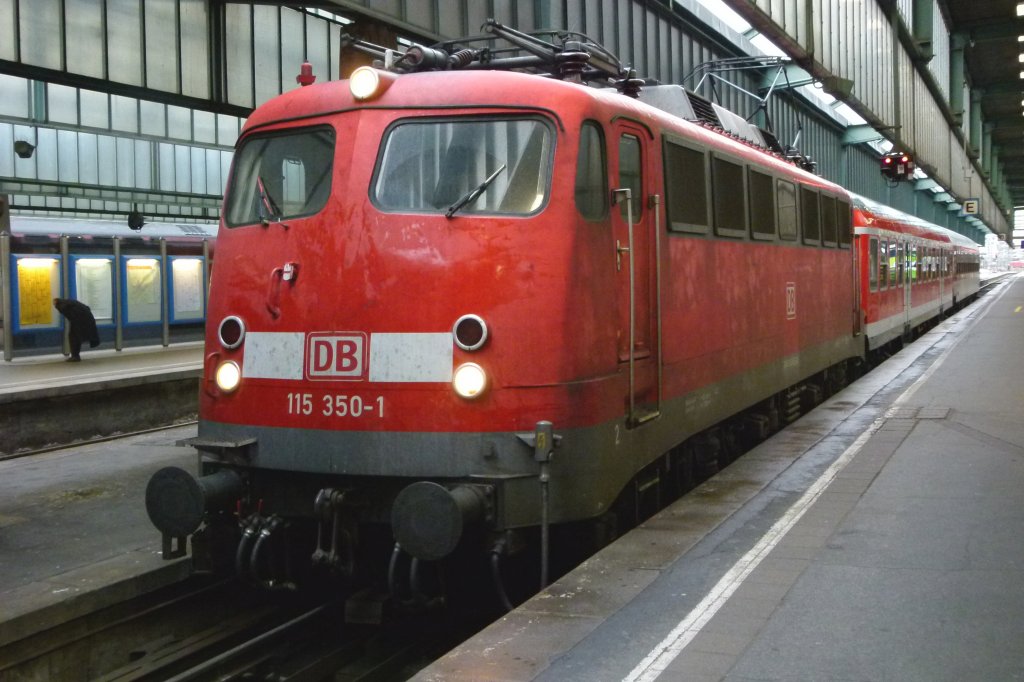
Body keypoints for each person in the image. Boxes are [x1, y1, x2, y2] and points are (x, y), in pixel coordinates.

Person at [53, 297, 100, 362]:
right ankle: (75, 355)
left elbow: (70, 314)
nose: (54, 305)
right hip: (84, 319)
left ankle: (75, 356)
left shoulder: (62, 305)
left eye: (54, 303)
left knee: (73, 337)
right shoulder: (69, 302)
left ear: (57, 301)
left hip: (79, 321)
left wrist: (74, 323)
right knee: (75, 336)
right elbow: (86, 308)